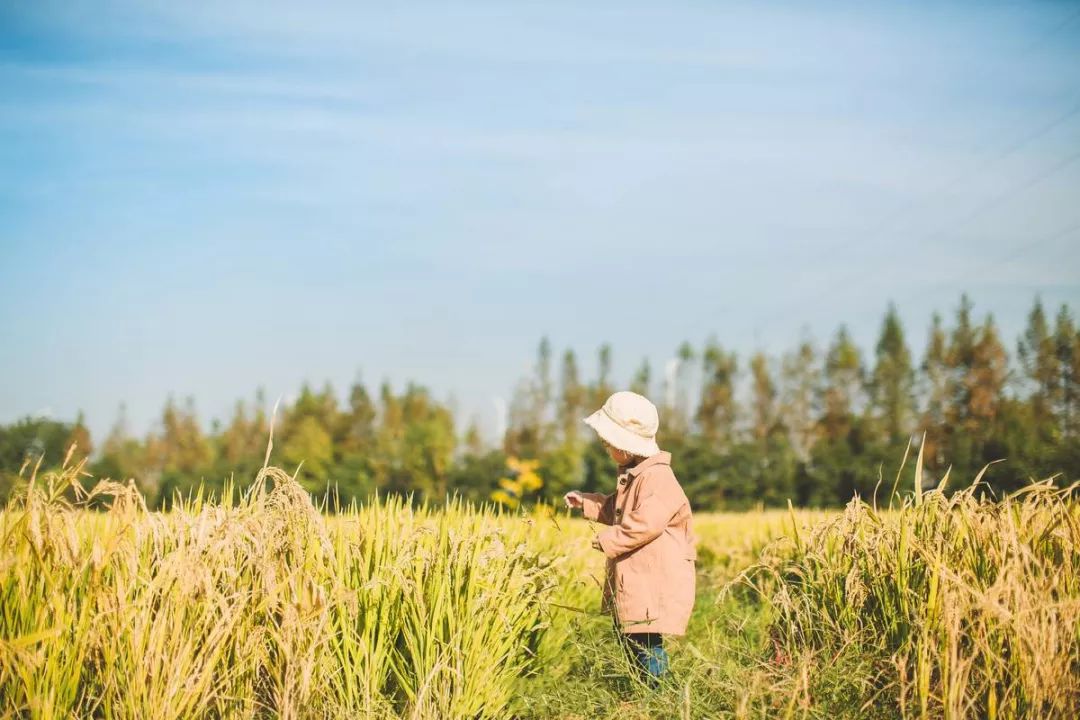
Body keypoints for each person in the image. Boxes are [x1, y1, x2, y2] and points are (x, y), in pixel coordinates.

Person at [564, 391, 697, 687]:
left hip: (655, 581)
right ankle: (644, 688)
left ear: (625, 445)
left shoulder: (658, 478)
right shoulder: (637, 476)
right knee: (632, 637)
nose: (606, 447)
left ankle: (658, 691)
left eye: (607, 442)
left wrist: (609, 539)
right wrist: (586, 502)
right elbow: (616, 509)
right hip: (641, 578)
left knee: (646, 642)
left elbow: (644, 524)